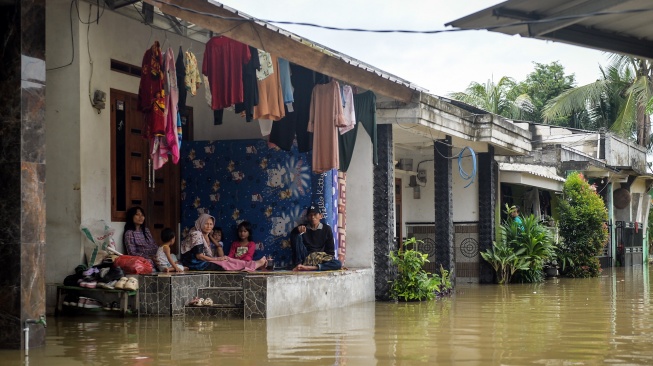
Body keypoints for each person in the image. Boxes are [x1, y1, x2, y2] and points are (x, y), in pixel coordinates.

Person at [180, 213, 267, 272]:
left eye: (211, 224)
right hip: (195, 263)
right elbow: (199, 256)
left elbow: (207, 254)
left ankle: (252, 265)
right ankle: (253, 265)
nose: (209, 227)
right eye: (206, 224)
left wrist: (220, 258)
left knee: (226, 260)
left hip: (197, 262)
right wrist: (217, 259)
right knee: (224, 263)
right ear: (201, 223)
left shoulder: (201, 234)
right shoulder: (196, 234)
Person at [290, 204, 342, 271]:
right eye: (310, 215)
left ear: (321, 216)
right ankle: (299, 265)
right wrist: (297, 230)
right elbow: (294, 241)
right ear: (307, 217)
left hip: (320, 259)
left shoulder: (326, 229)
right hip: (306, 258)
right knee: (296, 235)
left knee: (338, 264)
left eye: (315, 214)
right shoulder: (303, 228)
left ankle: (311, 268)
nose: (312, 217)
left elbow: (330, 252)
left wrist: (321, 257)